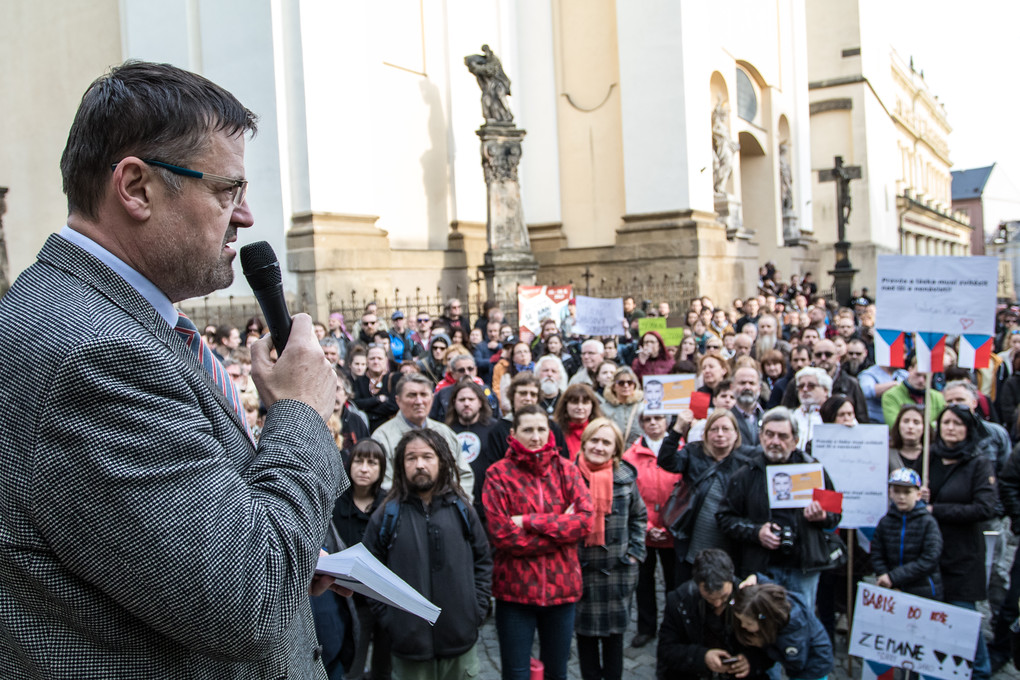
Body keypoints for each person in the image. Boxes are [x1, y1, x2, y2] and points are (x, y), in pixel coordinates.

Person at [0, 61, 349, 677]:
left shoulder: (84, 311)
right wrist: (303, 416)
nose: (244, 217)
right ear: (135, 188)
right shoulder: (95, 352)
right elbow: (247, 600)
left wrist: (296, 551)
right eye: (227, 191)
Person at [362, 430, 491, 680]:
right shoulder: (387, 514)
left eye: (427, 457)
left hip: (460, 642)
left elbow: (483, 561)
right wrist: (392, 620)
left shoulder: (462, 508)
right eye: (411, 458)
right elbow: (368, 572)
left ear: (442, 461)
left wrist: (477, 609)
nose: (419, 464)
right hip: (409, 647)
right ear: (401, 464)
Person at [482, 406, 595, 680]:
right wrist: (560, 535)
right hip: (515, 593)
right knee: (517, 672)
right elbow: (503, 535)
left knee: (557, 672)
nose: (536, 436)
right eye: (528, 430)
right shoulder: (498, 475)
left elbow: (585, 522)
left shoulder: (567, 471)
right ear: (514, 433)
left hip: (562, 590)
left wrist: (529, 521)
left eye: (541, 429)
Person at [717, 407, 841, 613]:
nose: (775, 441)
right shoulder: (745, 474)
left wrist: (822, 516)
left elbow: (836, 515)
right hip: (762, 567)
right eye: (769, 434)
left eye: (782, 436)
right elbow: (724, 518)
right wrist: (756, 532)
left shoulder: (814, 469)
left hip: (803, 567)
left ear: (795, 440)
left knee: (800, 624)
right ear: (761, 437)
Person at [574, 419, 648, 680]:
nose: (599, 446)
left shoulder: (625, 478)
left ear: (616, 449)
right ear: (585, 443)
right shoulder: (569, 475)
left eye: (606, 442)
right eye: (594, 440)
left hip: (619, 570)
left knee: (615, 639)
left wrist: (635, 553)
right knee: (585, 638)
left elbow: (639, 516)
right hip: (582, 570)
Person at [928, 404, 997, 680]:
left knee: (963, 621)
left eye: (957, 423)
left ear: (968, 428)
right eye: (946, 422)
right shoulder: (929, 458)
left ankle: (980, 672)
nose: (951, 428)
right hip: (931, 552)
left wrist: (937, 509)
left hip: (963, 554)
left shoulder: (978, 463)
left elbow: (985, 508)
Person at [659, 410, 755, 584]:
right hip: (693, 541)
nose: (720, 434)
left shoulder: (746, 460)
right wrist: (677, 429)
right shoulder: (693, 452)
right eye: (714, 429)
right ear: (705, 434)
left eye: (725, 429)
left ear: (736, 434)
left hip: (728, 543)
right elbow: (666, 461)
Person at [657, 549, 770, 680]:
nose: (717, 604)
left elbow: (770, 645)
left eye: (724, 597)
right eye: (709, 598)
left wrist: (750, 661)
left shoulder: (750, 600)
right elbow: (666, 650)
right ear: (697, 583)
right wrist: (702, 657)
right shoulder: (679, 601)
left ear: (731, 579)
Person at [332, 440, 392, 680]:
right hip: (348, 598)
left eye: (372, 462)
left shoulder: (389, 503)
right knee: (352, 665)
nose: (364, 469)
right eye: (359, 461)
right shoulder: (337, 502)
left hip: (382, 595)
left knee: (384, 666)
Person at [623, 413, 681, 649]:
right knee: (644, 583)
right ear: (641, 423)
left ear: (667, 421)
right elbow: (629, 495)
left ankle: (674, 627)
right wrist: (647, 527)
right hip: (643, 529)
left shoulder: (681, 449)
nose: (654, 423)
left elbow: (686, 492)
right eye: (648, 419)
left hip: (672, 528)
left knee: (673, 583)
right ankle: (646, 627)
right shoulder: (630, 455)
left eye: (658, 418)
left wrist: (670, 525)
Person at [371, 373, 474, 502]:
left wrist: (454, 504)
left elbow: (464, 476)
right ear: (398, 400)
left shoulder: (445, 433)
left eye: (423, 395)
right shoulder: (382, 437)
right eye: (412, 395)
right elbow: (385, 484)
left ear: (432, 398)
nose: (419, 401)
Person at [732, 583, 833, 680]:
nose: (743, 625)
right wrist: (756, 576)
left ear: (764, 620)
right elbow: (765, 580)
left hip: (813, 669)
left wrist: (765, 645)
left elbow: (796, 664)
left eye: (749, 623)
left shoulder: (790, 637)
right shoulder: (774, 602)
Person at [870, 468, 943, 599]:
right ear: (890, 493)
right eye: (897, 492)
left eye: (907, 492)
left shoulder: (927, 522)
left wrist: (893, 577)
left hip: (923, 591)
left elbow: (930, 558)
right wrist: (883, 574)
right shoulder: (885, 522)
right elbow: (876, 552)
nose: (901, 497)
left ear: (918, 495)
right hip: (891, 589)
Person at [446, 379, 498, 516]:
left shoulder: (495, 429)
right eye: (462, 400)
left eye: (471, 399)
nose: (466, 403)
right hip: (456, 504)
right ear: (454, 403)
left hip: (489, 504)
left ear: (480, 402)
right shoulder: (446, 431)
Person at [352, 344, 399, 433]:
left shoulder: (394, 378)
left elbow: (394, 405)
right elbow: (356, 404)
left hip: (389, 428)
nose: (376, 361)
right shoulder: (359, 381)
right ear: (367, 360)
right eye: (372, 358)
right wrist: (377, 400)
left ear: (386, 360)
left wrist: (368, 410)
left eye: (379, 358)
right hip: (366, 429)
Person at [552, 383, 604, 458]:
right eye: (575, 402)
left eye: (585, 403)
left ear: (592, 406)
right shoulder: (555, 431)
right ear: (565, 405)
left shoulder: (601, 430)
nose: (580, 407)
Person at [601, 366, 646, 447]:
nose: (626, 386)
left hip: (637, 453)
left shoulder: (643, 407)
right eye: (621, 383)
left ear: (634, 385)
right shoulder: (603, 409)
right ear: (614, 386)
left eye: (629, 382)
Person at [888, 403, 926, 474]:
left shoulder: (931, 455)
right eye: (906, 421)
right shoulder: (887, 454)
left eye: (916, 422)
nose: (910, 426)